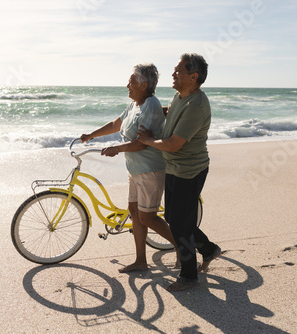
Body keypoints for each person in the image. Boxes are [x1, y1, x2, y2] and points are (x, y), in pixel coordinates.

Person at [81, 63, 179, 273]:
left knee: (147, 217)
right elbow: (116, 124)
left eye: (132, 81)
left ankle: (182, 249)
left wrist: (116, 148)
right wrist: (91, 135)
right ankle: (141, 261)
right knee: (135, 213)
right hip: (135, 169)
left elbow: (142, 143)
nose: (128, 85)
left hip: (150, 170)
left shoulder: (151, 105)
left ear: (144, 85)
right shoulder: (135, 104)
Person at [137, 53, 221, 292]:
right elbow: (173, 111)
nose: (173, 74)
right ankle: (208, 249)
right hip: (174, 168)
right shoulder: (180, 96)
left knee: (180, 224)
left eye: (178, 71)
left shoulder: (197, 105)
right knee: (174, 219)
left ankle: (189, 276)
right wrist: (154, 111)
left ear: (193, 77)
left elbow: (174, 144)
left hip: (190, 171)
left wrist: (149, 140)